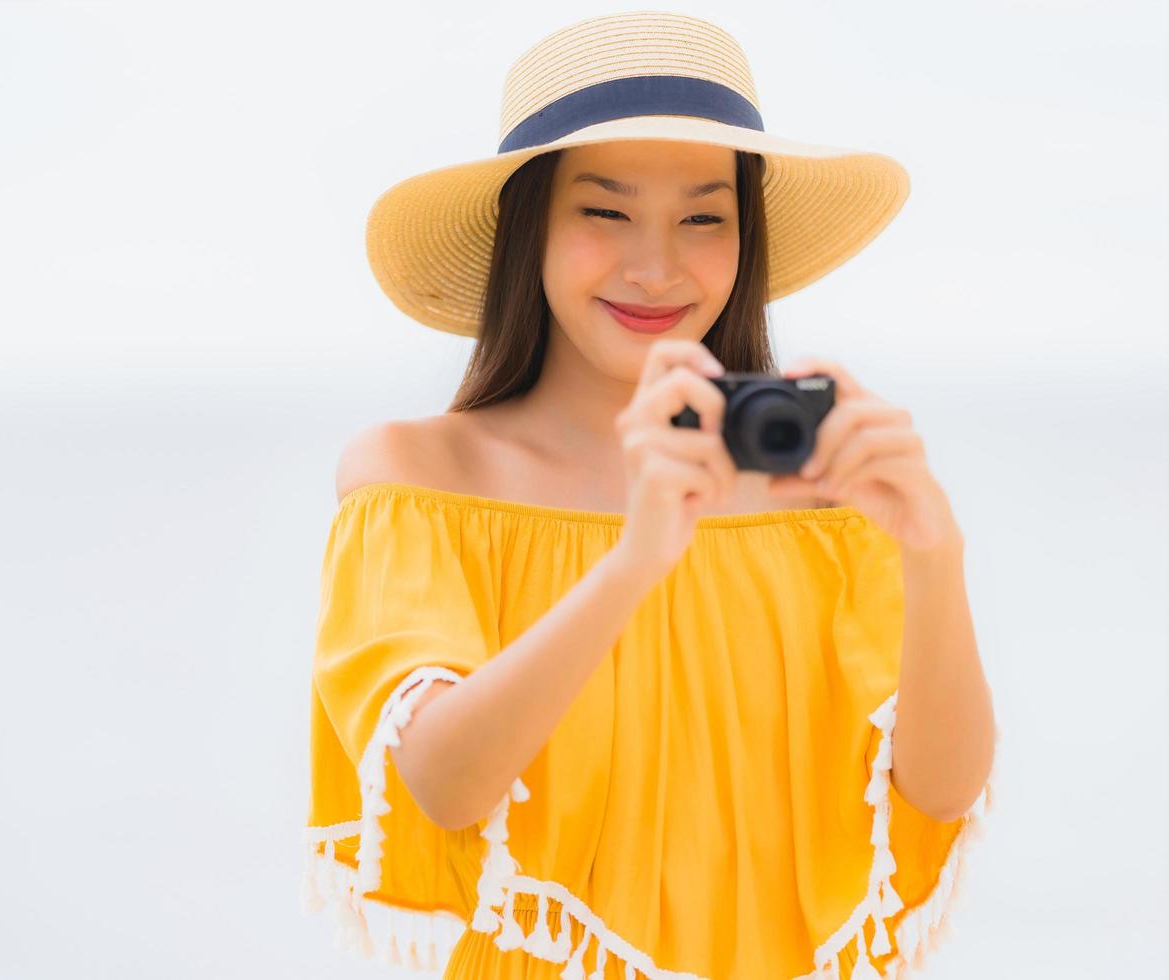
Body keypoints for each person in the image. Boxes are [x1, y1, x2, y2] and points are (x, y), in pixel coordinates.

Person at [303, 12, 998, 980]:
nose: (656, 265)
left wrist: (935, 555)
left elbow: (940, 788)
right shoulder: (418, 478)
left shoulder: (820, 497)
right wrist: (637, 559)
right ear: (531, 226)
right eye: (605, 209)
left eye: (704, 216)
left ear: (745, 234)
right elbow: (443, 781)